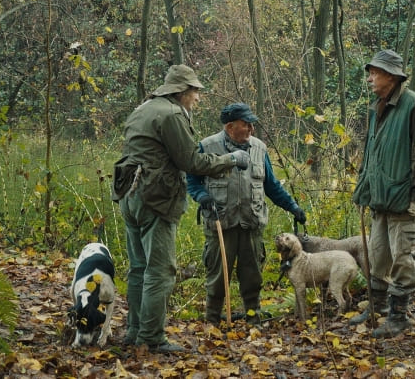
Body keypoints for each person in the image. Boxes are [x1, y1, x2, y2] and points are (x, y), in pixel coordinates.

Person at [111, 65, 250, 353]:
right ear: (182, 92)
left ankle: (135, 332)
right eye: (195, 92)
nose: (198, 98)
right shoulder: (172, 114)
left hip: (130, 195)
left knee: (138, 268)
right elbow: (192, 162)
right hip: (155, 198)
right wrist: (232, 160)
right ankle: (151, 338)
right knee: (160, 271)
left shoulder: (144, 108)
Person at [187, 102, 307, 326]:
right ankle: (212, 321)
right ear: (230, 126)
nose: (252, 129)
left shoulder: (259, 148)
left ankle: (253, 318)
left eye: (253, 125)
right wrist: (202, 197)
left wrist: (292, 207)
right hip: (220, 223)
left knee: (252, 276)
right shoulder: (207, 146)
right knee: (217, 277)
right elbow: (192, 180)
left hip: (251, 223)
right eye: (246, 124)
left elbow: (271, 186)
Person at [350, 49, 415, 338]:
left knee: (403, 260)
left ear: (390, 75)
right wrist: (364, 192)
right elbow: (371, 156)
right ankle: (378, 308)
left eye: (374, 73)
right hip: (381, 201)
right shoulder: (379, 106)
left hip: (404, 202)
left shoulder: (413, 105)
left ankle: (399, 318)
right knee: (378, 258)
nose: (370, 79)